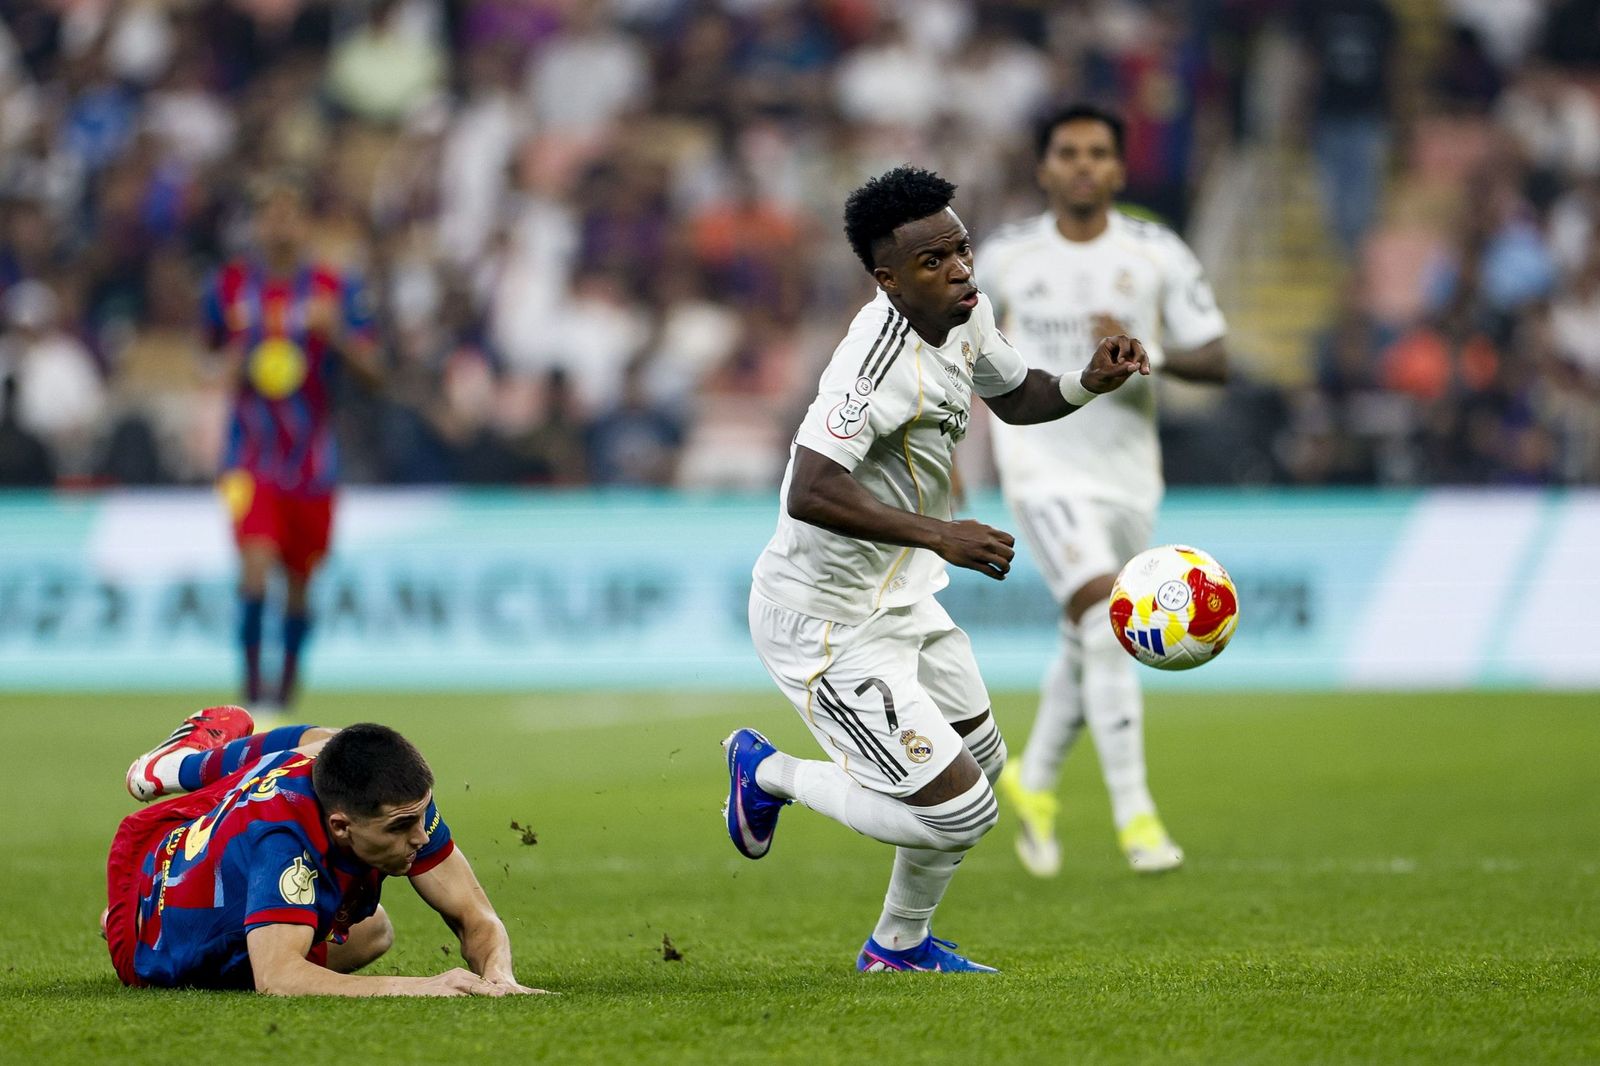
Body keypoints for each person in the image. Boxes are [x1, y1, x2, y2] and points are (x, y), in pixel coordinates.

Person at [723, 165, 1150, 972]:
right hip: (826, 622)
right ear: (889, 280)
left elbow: (1016, 395)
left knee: (982, 765)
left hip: (902, 596)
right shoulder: (872, 362)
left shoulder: (965, 313)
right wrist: (940, 534)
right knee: (964, 813)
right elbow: (810, 489)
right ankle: (767, 771)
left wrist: (1087, 381)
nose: (959, 270)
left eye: (962, 250)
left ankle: (898, 946)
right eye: (933, 261)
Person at [979, 105, 1229, 878]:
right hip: (1039, 462)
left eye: (1097, 153)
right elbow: (952, 347)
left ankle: (1034, 779)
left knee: (1090, 634)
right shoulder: (1004, 257)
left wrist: (1148, 348)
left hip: (1126, 475)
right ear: (1043, 168)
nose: (1083, 164)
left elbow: (1216, 358)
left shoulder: (1155, 253)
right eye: (1068, 152)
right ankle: (1136, 817)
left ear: (1119, 168)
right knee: (1102, 611)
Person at [108, 706, 543, 996]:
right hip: (148, 917)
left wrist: (499, 975)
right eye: (400, 826)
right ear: (340, 825)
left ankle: (173, 768)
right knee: (343, 937)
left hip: (225, 828)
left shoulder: (401, 803)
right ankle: (171, 767)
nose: (421, 837)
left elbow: (475, 917)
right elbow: (277, 977)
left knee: (375, 928)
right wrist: (421, 985)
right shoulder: (283, 843)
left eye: (420, 816)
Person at [203, 179, 384, 712]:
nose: (279, 224)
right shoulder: (230, 287)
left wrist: (336, 336)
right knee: (255, 567)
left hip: (312, 463)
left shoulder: (335, 288)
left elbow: (375, 374)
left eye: (289, 213)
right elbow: (207, 364)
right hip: (248, 458)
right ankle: (251, 690)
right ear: (257, 224)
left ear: (305, 223)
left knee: (300, 583)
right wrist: (234, 354)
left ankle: (285, 684)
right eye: (270, 214)